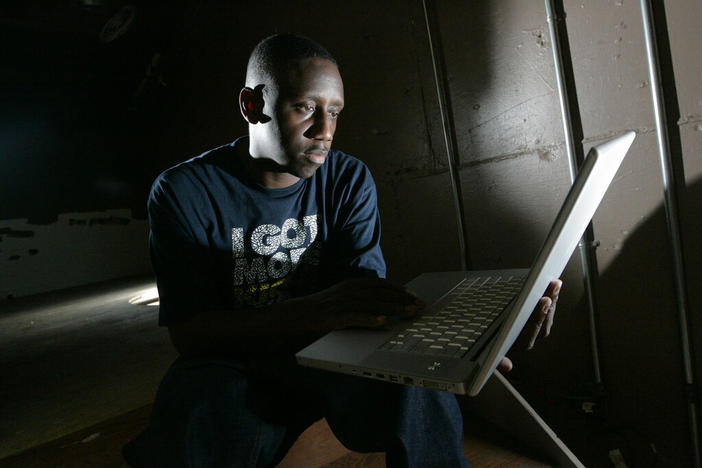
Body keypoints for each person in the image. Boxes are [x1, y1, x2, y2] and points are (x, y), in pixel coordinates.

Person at [122, 33, 561, 468]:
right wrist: (315, 310)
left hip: (334, 355)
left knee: (419, 384)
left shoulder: (348, 179)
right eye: (305, 108)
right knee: (195, 408)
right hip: (237, 362)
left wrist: (471, 343)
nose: (325, 132)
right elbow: (190, 334)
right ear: (252, 106)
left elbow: (367, 301)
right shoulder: (185, 190)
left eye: (334, 112)